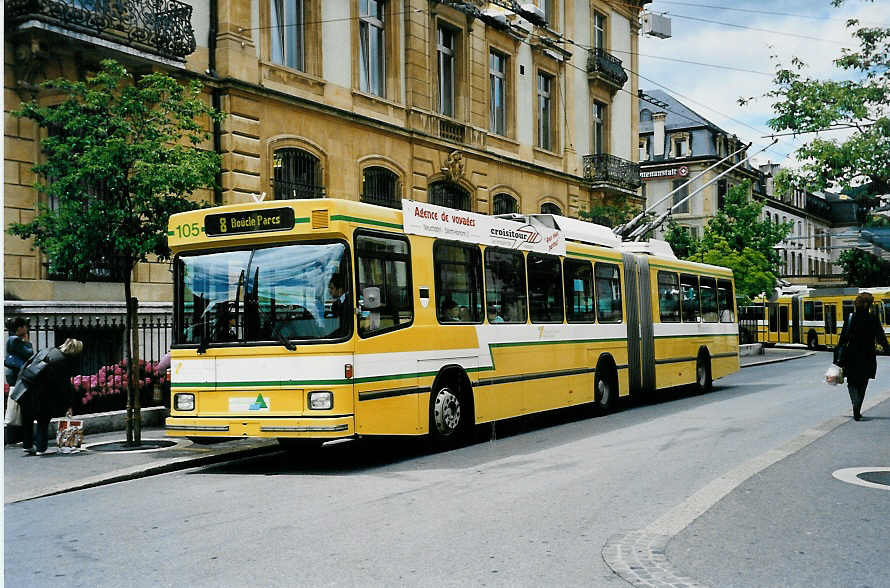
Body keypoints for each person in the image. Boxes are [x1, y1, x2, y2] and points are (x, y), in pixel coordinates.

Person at [13, 338, 83, 455]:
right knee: (43, 420)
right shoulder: (63, 361)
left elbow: (27, 364)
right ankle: (40, 448)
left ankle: (27, 445)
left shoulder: (47, 350)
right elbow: (63, 385)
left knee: (27, 418)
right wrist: (68, 404)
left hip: (26, 387)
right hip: (43, 393)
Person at [836, 292, 890, 421]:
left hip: (851, 355)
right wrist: (888, 349)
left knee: (852, 382)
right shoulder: (873, 318)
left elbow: (843, 339)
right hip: (868, 355)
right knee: (863, 382)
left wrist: (838, 355)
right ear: (870, 305)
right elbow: (880, 336)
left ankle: (855, 402)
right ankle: (858, 407)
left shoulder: (850, 318)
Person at [5, 317, 33, 388]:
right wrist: (27, 342)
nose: (26, 329)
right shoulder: (16, 340)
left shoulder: (10, 339)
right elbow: (29, 354)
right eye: (25, 327)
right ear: (20, 328)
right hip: (17, 372)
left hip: (12, 371)